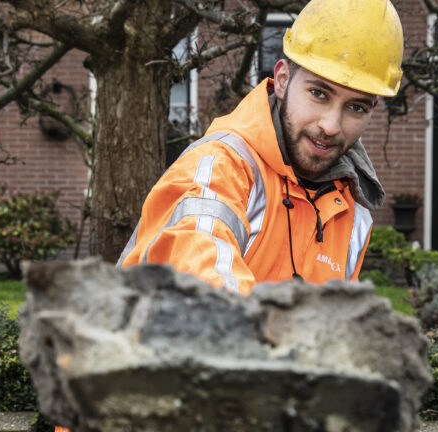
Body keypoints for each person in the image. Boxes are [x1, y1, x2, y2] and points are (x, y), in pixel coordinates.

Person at [117, 0, 404, 296]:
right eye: (319, 93)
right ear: (282, 80)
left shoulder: (353, 214)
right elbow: (202, 272)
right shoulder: (219, 167)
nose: (331, 125)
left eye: (356, 107)